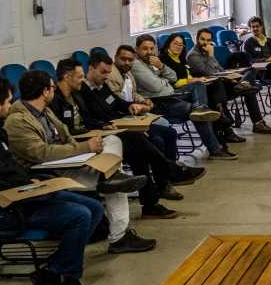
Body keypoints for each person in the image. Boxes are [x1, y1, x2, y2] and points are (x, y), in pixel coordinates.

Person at [0, 72, 105, 285]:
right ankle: (66, 275)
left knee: (95, 208)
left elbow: (11, 169)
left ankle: (53, 269)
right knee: (79, 215)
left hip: (21, 197)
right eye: (8, 101)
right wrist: (27, 187)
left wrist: (35, 183)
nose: (11, 105)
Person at [3, 70, 156, 255]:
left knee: (113, 142)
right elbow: (41, 153)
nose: (54, 91)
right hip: (46, 171)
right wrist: (85, 148)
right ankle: (119, 236)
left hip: (67, 160)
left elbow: (66, 135)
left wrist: (84, 150)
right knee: (115, 184)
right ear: (45, 91)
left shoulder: (45, 110)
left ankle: (110, 175)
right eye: (52, 88)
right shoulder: (17, 120)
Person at [50, 56, 181, 218]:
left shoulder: (77, 93)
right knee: (134, 140)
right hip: (79, 142)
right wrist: (97, 129)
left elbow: (89, 118)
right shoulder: (55, 100)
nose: (82, 80)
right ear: (67, 77)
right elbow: (64, 132)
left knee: (138, 150)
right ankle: (171, 170)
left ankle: (151, 204)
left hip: (93, 134)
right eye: (79, 76)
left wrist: (101, 126)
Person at [79, 51, 206, 189]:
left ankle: (168, 179)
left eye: (108, 73)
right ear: (91, 69)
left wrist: (131, 105)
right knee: (151, 142)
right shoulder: (83, 91)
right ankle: (169, 177)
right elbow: (92, 117)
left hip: (124, 123)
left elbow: (118, 102)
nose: (106, 76)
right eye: (103, 72)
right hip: (110, 130)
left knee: (169, 133)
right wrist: (107, 124)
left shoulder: (102, 85)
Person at [132, 34, 237, 161]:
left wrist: (161, 67)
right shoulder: (137, 65)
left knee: (199, 88)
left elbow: (173, 77)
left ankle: (203, 111)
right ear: (137, 49)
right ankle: (216, 148)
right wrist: (165, 81)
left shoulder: (153, 62)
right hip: (158, 102)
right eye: (145, 48)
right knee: (200, 112)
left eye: (151, 48)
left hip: (169, 96)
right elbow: (157, 87)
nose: (149, 52)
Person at [187, 28, 271, 135]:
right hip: (214, 88)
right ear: (196, 39)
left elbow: (219, 68)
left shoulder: (207, 51)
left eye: (208, 40)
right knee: (248, 89)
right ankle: (232, 129)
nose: (206, 43)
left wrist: (231, 76)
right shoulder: (193, 55)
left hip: (224, 81)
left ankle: (257, 122)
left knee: (251, 71)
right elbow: (210, 72)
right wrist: (211, 56)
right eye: (203, 39)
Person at [159, 33, 242, 145]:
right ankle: (224, 126)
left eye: (181, 44)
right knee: (212, 94)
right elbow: (173, 82)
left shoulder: (181, 58)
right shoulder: (164, 59)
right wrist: (193, 80)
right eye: (175, 44)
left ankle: (223, 126)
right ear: (168, 44)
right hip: (178, 92)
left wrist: (196, 79)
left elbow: (213, 70)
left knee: (215, 88)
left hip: (193, 87)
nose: (178, 46)